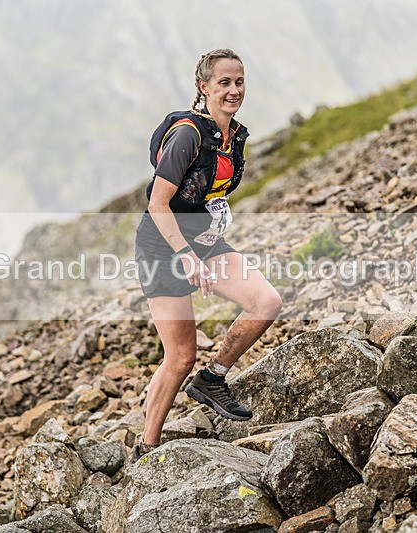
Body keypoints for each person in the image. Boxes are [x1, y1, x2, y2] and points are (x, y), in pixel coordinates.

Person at [130, 49, 282, 462]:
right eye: (224, 83)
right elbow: (158, 204)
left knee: (266, 302)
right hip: (162, 247)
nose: (234, 91)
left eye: (239, 82)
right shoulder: (187, 135)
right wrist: (185, 254)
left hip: (205, 240)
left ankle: (213, 378)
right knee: (180, 357)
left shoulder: (233, 137)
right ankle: (147, 448)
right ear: (204, 87)